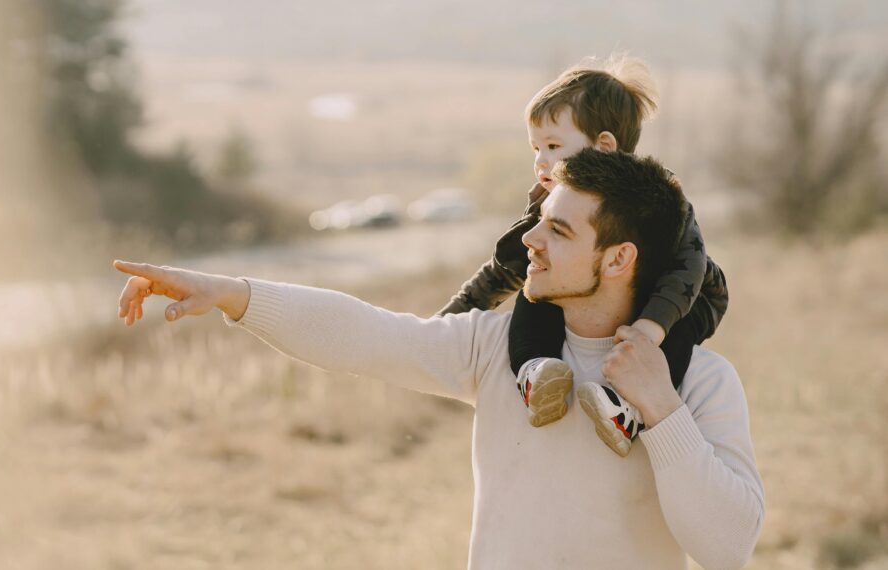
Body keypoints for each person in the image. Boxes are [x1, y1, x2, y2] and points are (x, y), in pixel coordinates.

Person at [113, 149, 764, 569]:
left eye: (559, 231)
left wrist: (662, 410)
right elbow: (365, 333)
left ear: (620, 259)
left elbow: (727, 547)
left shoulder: (701, 382)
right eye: (541, 220)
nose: (530, 240)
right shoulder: (496, 347)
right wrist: (229, 293)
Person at [437, 55, 728, 456]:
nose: (541, 160)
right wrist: (454, 315)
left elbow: (688, 267)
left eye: (553, 145)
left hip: (681, 297)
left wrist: (650, 328)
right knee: (537, 288)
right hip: (602, 293)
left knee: (673, 336)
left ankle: (627, 410)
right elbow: (512, 264)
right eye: (536, 147)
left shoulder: (656, 196)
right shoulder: (551, 201)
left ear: (604, 146)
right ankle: (537, 373)